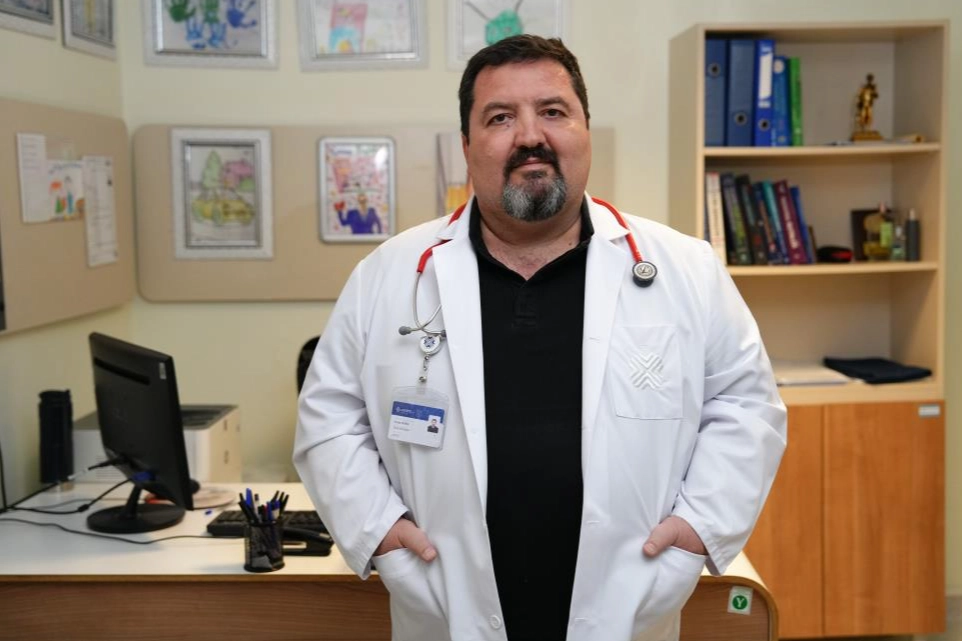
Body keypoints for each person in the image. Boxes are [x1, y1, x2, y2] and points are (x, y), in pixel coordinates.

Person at [294, 35, 786, 641]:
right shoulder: (390, 274)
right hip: (445, 602)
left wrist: (698, 530)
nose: (530, 135)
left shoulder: (685, 268)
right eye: (500, 118)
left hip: (630, 599)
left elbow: (745, 406)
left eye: (553, 111)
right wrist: (378, 531)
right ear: (467, 146)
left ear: (585, 131)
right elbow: (329, 419)